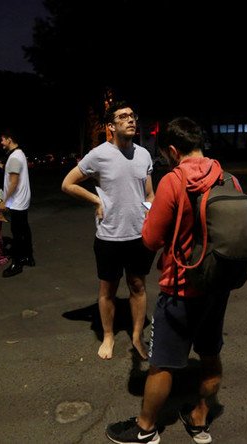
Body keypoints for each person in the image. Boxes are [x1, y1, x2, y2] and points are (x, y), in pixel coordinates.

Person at [106, 117, 232, 444]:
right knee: (209, 354)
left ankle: (146, 428)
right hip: (217, 285)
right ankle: (199, 418)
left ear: (173, 150)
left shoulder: (174, 181)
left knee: (161, 363)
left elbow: (150, 238)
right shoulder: (229, 179)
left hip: (180, 287)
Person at [61, 101, 155, 360]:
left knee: (138, 285)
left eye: (132, 115)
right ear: (111, 126)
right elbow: (67, 184)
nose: (130, 119)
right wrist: (96, 200)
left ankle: (137, 336)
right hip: (109, 236)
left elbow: (149, 193)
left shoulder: (144, 154)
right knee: (108, 290)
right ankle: (109, 336)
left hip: (139, 234)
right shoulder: (98, 155)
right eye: (123, 116)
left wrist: (151, 214)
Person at [0, 129, 35, 278]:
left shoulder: (14, 157)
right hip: (23, 200)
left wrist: (4, 201)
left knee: (17, 234)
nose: (1, 142)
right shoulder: (20, 154)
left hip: (17, 202)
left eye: (2, 139)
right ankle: (28, 257)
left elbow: (13, 182)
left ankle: (17, 263)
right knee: (24, 230)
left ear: (9, 139)